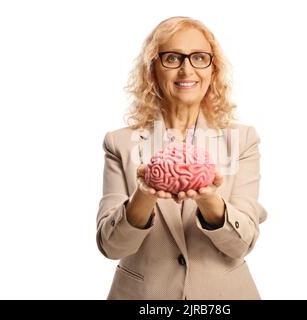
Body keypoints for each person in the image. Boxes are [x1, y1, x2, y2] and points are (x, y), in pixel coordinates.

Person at [96, 16, 267, 300]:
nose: (186, 70)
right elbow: (111, 247)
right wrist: (144, 194)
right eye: (172, 58)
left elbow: (242, 244)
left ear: (213, 70)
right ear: (153, 70)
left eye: (199, 58)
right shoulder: (121, 143)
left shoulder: (242, 140)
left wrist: (209, 199)